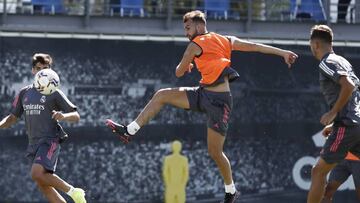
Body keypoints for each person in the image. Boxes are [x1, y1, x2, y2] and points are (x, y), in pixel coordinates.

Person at [106, 10, 297, 203]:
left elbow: (179, 72)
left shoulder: (194, 45)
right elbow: (255, 46)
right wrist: (283, 53)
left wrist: (187, 64)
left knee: (215, 152)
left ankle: (231, 191)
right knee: (162, 95)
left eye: (188, 28)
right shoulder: (225, 39)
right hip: (203, 93)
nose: (186, 32)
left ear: (199, 25)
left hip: (218, 102)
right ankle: (130, 130)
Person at [0, 53, 86, 203]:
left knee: (36, 173)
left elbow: (76, 116)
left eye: (45, 68)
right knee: (42, 182)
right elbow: (12, 118)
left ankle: (74, 192)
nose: (42, 73)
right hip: (33, 142)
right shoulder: (24, 93)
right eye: (39, 69)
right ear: (33, 71)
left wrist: (63, 116)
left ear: (50, 70)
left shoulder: (54, 93)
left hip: (50, 140)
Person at [307, 24, 360, 203]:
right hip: (355, 123)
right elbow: (354, 92)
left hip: (347, 125)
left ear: (315, 45)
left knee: (318, 171)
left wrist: (333, 112)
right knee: (327, 190)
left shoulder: (326, 62)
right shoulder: (343, 61)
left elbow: (349, 86)